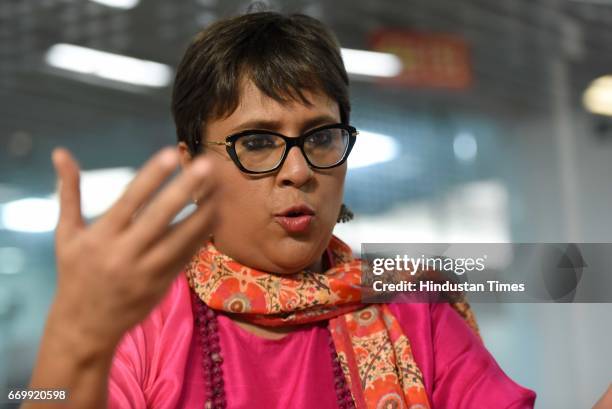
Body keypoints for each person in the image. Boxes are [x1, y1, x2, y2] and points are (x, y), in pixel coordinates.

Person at [23, 11, 537, 409]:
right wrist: (75, 338)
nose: (299, 172)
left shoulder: (410, 311)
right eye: (258, 142)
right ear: (193, 166)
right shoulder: (142, 322)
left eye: (320, 136)